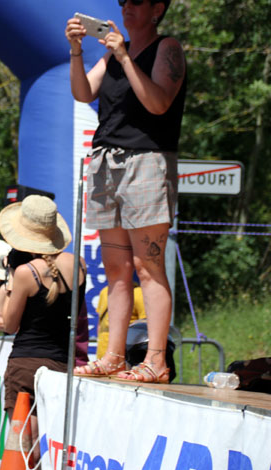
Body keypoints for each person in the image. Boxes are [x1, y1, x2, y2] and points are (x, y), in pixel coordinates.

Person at [65, 0, 186, 383]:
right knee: (116, 269)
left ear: (157, 9)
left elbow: (158, 102)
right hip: (104, 162)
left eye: (137, 2)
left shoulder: (167, 48)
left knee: (147, 266)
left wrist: (125, 56)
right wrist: (76, 50)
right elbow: (83, 94)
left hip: (147, 160)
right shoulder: (115, 52)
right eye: (125, 2)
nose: (128, 7)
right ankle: (113, 355)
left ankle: (155, 360)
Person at [0, 195, 87, 470]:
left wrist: (9, 284)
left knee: (23, 450)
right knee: (53, 446)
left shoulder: (26, 273)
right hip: (61, 365)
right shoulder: (80, 265)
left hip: (25, 365)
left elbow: (10, 325)